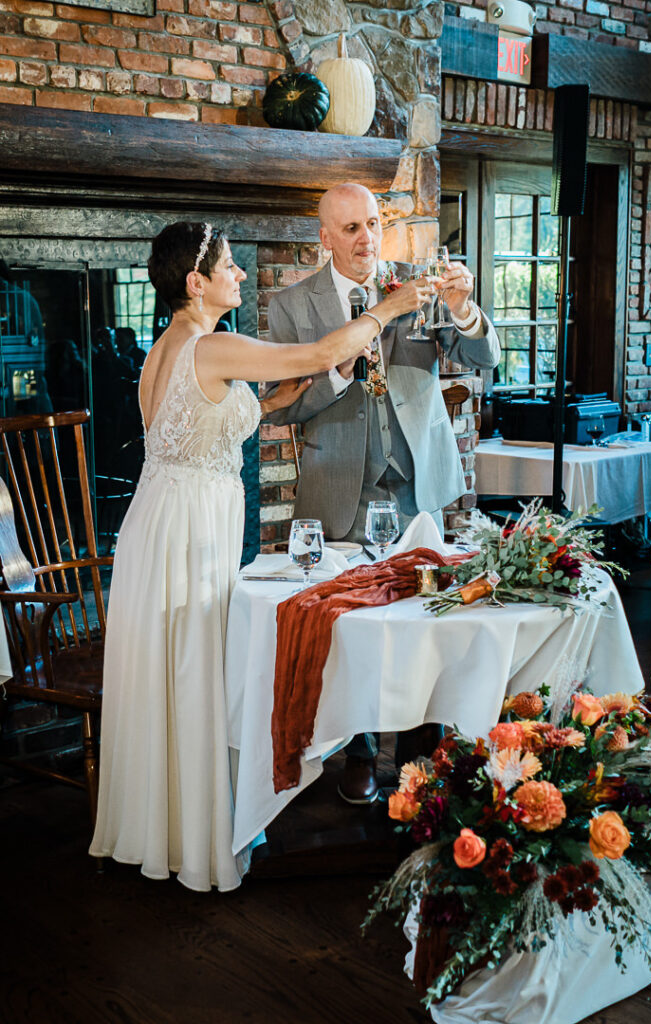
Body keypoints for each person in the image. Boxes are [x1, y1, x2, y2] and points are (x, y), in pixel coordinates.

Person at [89, 220, 433, 892]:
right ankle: (193, 837)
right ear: (196, 283)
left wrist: (303, 387)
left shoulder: (171, 347)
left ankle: (158, 828)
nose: (240, 275)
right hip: (187, 530)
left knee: (172, 670)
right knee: (189, 667)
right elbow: (319, 349)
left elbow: (242, 411)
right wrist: (387, 309)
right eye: (229, 267)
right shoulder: (211, 345)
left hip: (160, 521)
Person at [265, 183, 500, 805]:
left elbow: (485, 357)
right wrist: (339, 367)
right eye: (350, 228)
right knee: (352, 625)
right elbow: (285, 410)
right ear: (324, 237)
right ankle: (361, 750)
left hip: (417, 480)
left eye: (373, 223)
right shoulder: (290, 306)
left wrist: (463, 309)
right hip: (338, 481)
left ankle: (423, 757)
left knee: (427, 615)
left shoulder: (418, 287)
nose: (367, 239)